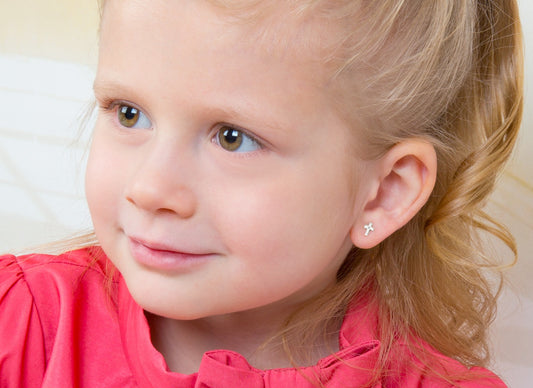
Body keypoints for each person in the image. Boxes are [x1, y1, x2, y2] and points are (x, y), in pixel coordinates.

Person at [0, 0, 523, 386]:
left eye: (233, 137)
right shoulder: (21, 328)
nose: (150, 188)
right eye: (128, 113)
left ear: (383, 193)